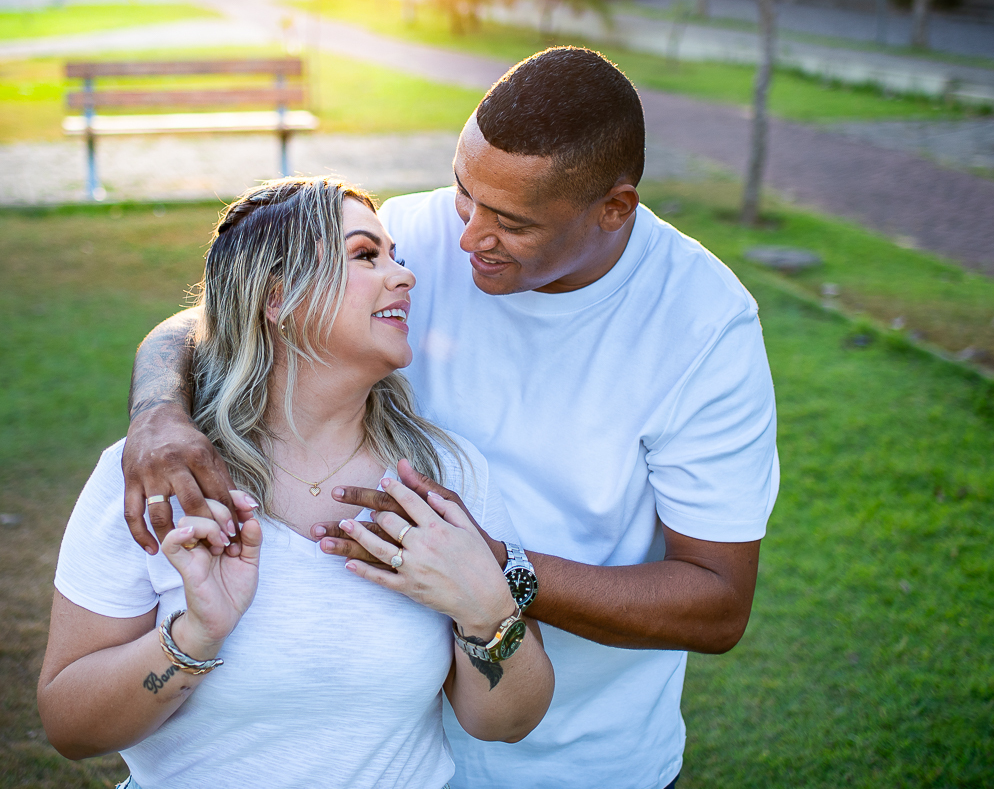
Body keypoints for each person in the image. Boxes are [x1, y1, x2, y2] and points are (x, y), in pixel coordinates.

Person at [120, 47, 778, 789]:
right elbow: (221, 313)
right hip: (393, 756)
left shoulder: (703, 325)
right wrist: (156, 410)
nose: (467, 238)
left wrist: (493, 570)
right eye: (466, 192)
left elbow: (717, 604)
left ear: (614, 209)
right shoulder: (414, 237)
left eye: (511, 223)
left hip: (577, 759)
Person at [38, 177, 554, 789]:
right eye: (366, 255)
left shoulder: (444, 473)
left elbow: (508, 720)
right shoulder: (161, 478)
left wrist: (487, 609)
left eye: (397, 257)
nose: (404, 277)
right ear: (278, 297)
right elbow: (71, 728)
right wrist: (195, 635)